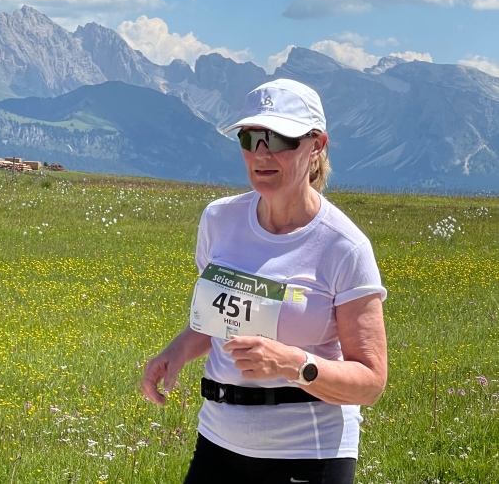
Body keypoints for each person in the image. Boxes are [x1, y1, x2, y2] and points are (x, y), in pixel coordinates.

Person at [141, 78, 388, 484]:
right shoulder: (219, 220)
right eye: (249, 137)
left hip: (308, 453)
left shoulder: (345, 247)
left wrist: (294, 365)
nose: (261, 153)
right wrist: (177, 351)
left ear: (317, 145)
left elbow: (371, 383)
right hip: (218, 441)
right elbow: (219, 322)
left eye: (278, 139)